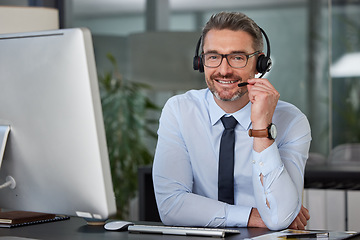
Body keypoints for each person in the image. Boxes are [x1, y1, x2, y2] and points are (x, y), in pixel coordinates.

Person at [152, 11, 311, 230]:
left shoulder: (292, 121)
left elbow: (280, 217)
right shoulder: (179, 111)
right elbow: (171, 206)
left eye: (237, 58)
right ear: (201, 61)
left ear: (260, 63)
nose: (224, 70)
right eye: (213, 57)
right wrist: (249, 216)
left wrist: (261, 128)